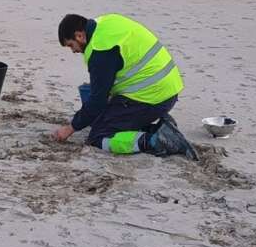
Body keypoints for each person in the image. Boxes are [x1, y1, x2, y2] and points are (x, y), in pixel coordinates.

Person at [52, 13, 197, 159]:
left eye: (71, 45)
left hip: (152, 98)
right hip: (168, 89)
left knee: (99, 137)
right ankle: (159, 127)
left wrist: (70, 128)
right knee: (108, 117)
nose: (73, 51)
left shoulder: (100, 51)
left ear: (79, 36)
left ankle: (155, 141)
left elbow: (98, 101)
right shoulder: (106, 23)